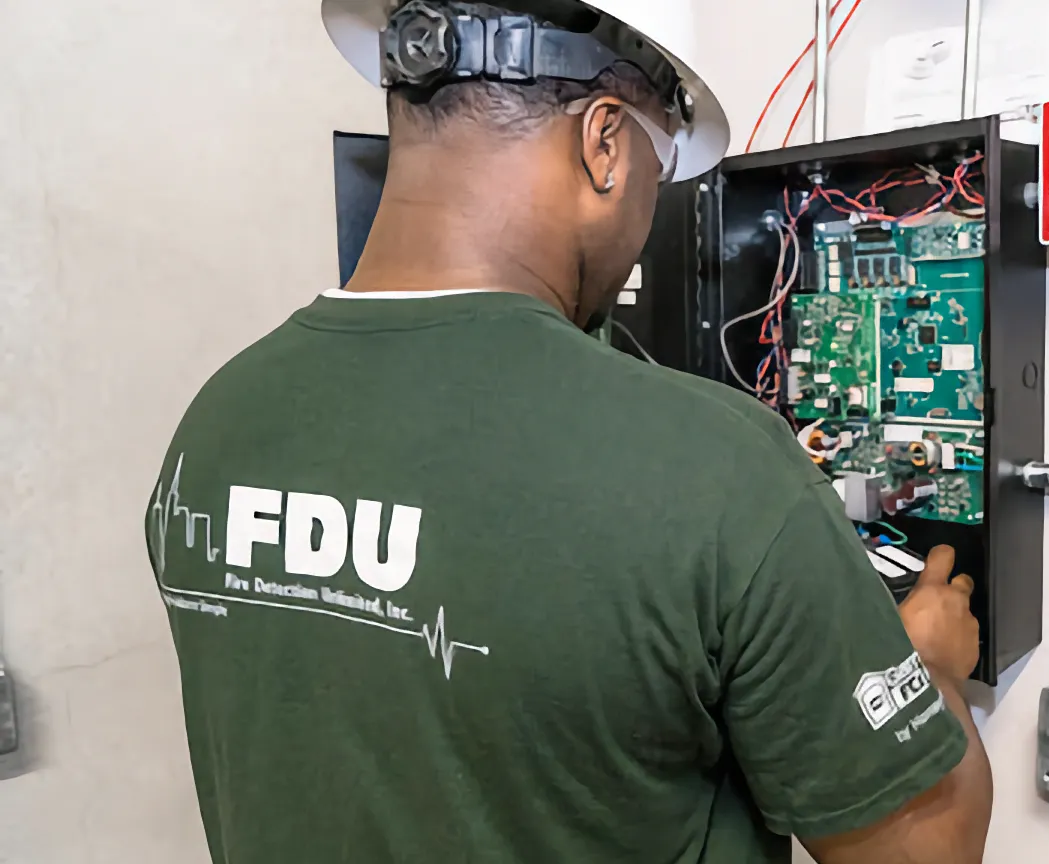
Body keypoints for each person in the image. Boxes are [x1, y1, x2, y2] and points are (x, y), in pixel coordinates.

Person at [145, 1, 993, 862]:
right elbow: (929, 851)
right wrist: (932, 674)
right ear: (605, 145)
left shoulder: (214, 426)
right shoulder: (721, 472)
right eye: (658, 181)